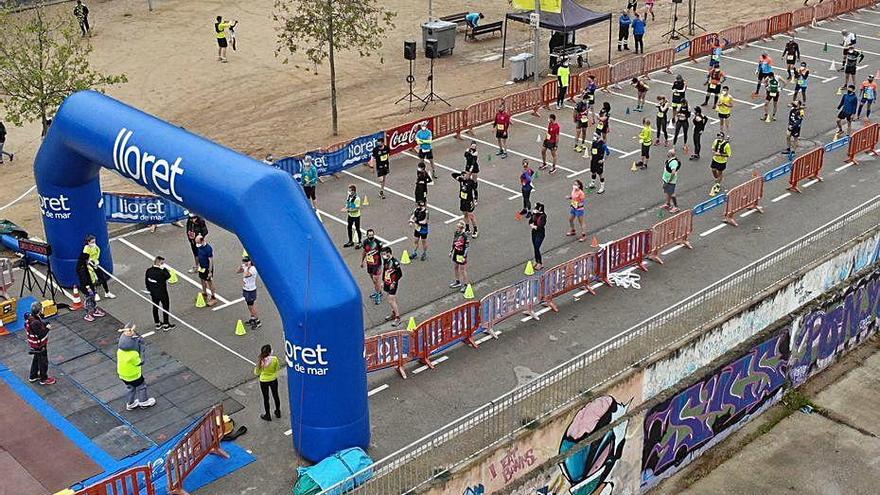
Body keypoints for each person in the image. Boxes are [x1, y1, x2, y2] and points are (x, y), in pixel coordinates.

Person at [117, 325, 156, 410]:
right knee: (142, 387)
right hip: (134, 375)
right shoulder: (133, 354)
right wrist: (141, 349)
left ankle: (130, 403)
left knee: (130, 388)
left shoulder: (120, 351)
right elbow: (140, 362)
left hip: (123, 374)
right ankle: (144, 402)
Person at [26, 302, 55, 385]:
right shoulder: (35, 322)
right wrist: (47, 328)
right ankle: (43, 378)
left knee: (36, 359)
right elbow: (41, 334)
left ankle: (33, 376)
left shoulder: (31, 318)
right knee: (43, 362)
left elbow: (39, 324)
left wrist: (45, 324)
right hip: (39, 345)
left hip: (35, 345)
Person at [145, 256, 174, 331]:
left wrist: (149, 290)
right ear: (159, 263)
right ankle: (166, 324)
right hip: (162, 293)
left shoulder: (148, 271)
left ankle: (157, 323)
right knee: (165, 307)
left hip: (153, 293)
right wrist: (164, 268)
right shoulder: (161, 272)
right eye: (162, 263)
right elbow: (168, 276)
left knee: (155, 307)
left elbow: (147, 282)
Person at [83, 235, 115, 300]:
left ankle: (107, 292)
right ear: (88, 242)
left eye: (94, 241)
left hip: (96, 264)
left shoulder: (95, 247)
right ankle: (95, 294)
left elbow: (97, 255)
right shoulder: (86, 249)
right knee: (93, 281)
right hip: (90, 267)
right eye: (92, 242)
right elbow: (85, 259)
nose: (94, 243)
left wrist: (96, 262)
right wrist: (90, 262)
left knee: (103, 278)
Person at [254, 344, 281, 421]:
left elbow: (256, 372)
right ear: (270, 351)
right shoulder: (274, 359)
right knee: (275, 395)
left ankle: (267, 414)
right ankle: (278, 411)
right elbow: (277, 368)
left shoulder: (261, 361)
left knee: (266, 398)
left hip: (263, 381)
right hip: (273, 379)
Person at [76, 252, 104, 322]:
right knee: (88, 301)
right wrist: (88, 288)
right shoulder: (82, 269)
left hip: (89, 286)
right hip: (86, 288)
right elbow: (84, 280)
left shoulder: (84, 266)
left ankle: (95, 311)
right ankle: (88, 315)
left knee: (92, 299)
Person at [452, 170, 479, 237]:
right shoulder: (461, 180)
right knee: (465, 214)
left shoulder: (471, 182)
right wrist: (461, 175)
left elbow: (475, 190)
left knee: (471, 216)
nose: (463, 176)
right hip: (462, 200)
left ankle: (475, 230)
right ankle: (467, 228)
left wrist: (475, 199)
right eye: (462, 175)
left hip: (469, 201)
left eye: (464, 175)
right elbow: (453, 174)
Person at [381, 247, 402, 327]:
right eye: (382, 254)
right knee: (390, 299)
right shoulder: (386, 261)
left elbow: (399, 274)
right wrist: (383, 281)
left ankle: (398, 318)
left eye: (384, 254)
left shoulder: (395, 262)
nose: (383, 256)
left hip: (393, 283)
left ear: (389, 253)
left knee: (391, 300)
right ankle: (393, 313)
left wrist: (394, 282)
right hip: (387, 282)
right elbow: (384, 270)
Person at [361, 229, 384, 304]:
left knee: (375, 280)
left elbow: (382, 253)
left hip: (377, 265)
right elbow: (364, 252)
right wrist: (362, 261)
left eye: (372, 235)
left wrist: (384, 264)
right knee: (373, 280)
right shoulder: (365, 242)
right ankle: (379, 291)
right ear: (367, 235)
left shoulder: (378, 243)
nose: (371, 236)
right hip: (369, 264)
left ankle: (378, 295)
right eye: (369, 235)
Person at [238, 256, 261, 328]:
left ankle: (257, 321)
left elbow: (245, 275)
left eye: (246, 261)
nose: (244, 263)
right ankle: (252, 318)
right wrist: (241, 267)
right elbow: (238, 271)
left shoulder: (253, 269)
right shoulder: (246, 267)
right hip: (246, 289)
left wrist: (247, 268)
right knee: (249, 305)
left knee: (251, 306)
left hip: (251, 290)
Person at [195, 235, 218, 306]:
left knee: (209, 282)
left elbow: (211, 261)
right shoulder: (199, 247)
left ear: (202, 241)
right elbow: (199, 256)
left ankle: (213, 297)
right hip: (201, 267)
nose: (197, 244)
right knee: (202, 279)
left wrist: (210, 272)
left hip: (207, 268)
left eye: (198, 242)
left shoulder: (208, 249)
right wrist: (197, 265)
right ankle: (204, 293)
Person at [449, 222, 470, 292]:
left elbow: (467, 247)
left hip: (461, 254)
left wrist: (464, 256)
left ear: (461, 228)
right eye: (457, 227)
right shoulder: (456, 233)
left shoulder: (465, 236)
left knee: (462, 270)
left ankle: (466, 285)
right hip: (456, 253)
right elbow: (454, 242)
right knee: (455, 267)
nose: (457, 228)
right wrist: (451, 251)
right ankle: (457, 282)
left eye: (458, 227)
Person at [710, 132, 731, 197]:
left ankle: (717, 185)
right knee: (713, 170)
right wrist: (714, 152)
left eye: (720, 136)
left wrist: (720, 154)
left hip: (722, 161)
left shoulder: (726, 145)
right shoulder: (716, 141)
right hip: (715, 159)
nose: (719, 137)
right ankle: (718, 179)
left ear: (723, 137)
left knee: (719, 172)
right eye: (718, 136)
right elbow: (713, 148)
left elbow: (728, 154)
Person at [342, 184, 362, 249]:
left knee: (357, 228)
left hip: (356, 216)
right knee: (349, 227)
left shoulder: (357, 199)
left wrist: (348, 210)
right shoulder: (349, 196)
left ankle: (359, 242)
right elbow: (348, 203)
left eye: (350, 190)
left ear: (354, 191)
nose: (349, 191)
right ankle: (350, 241)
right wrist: (346, 207)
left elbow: (357, 209)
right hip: (350, 215)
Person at [529, 202, 547, 270]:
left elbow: (540, 226)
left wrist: (533, 226)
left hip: (540, 233)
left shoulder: (543, 216)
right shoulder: (535, 214)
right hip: (534, 232)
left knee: (537, 247)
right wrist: (532, 225)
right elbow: (530, 221)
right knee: (535, 247)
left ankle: (540, 263)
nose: (534, 210)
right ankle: (536, 261)